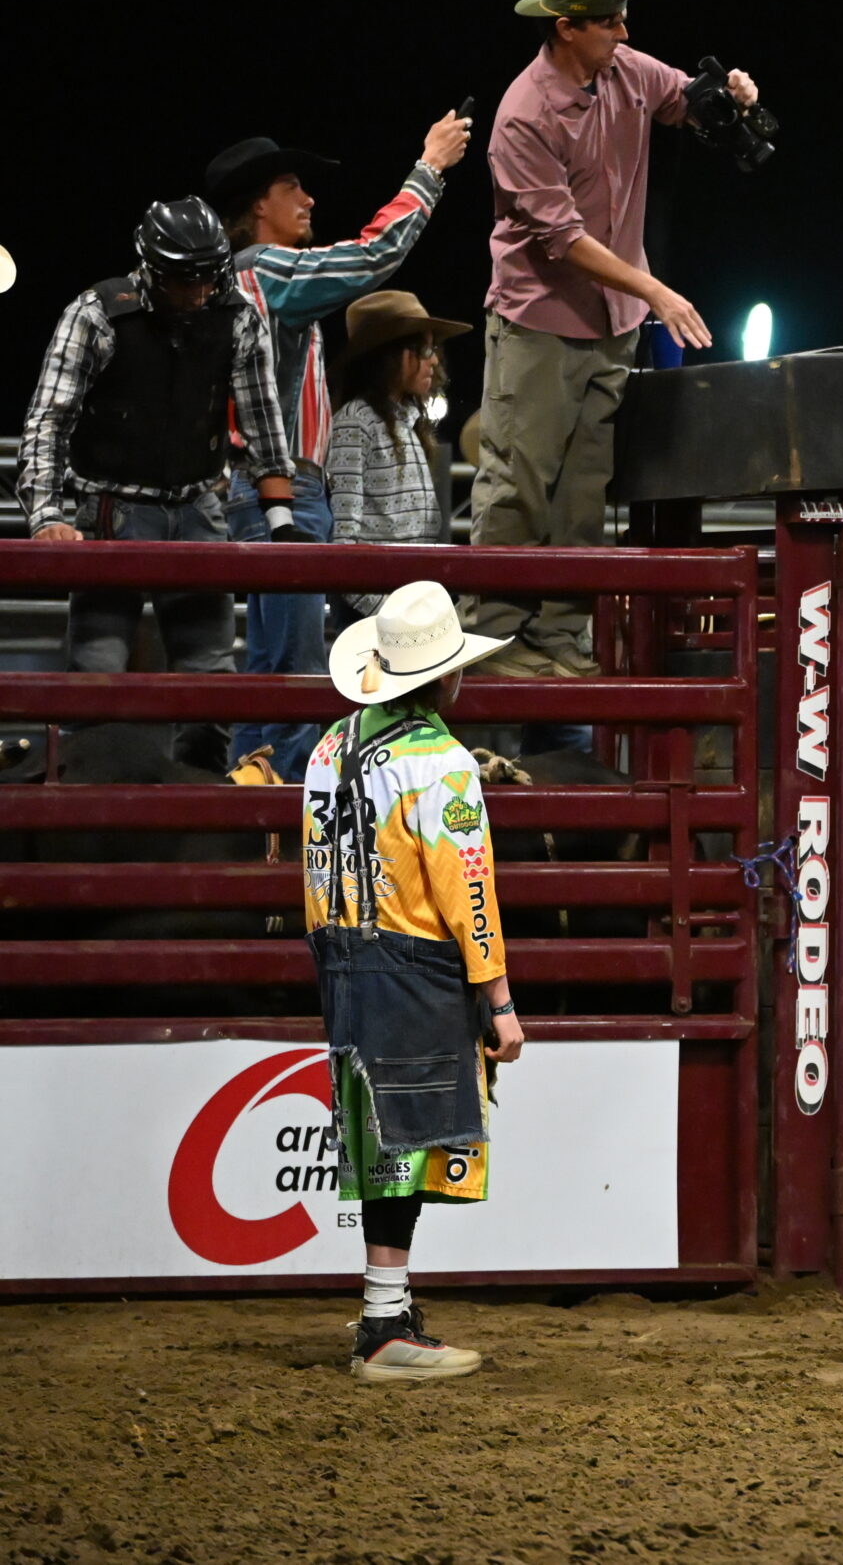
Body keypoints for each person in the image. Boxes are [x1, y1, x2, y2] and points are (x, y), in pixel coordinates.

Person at [472, 0, 762, 679]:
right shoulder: (523, 114)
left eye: (624, 19)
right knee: (520, 483)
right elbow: (563, 240)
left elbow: (687, 101)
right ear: (565, 27)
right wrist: (655, 290)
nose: (624, 34)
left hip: (611, 324)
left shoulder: (627, 71)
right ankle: (495, 638)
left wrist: (732, 96)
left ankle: (560, 634)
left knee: (584, 488)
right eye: (609, 23)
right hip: (540, 320)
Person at [302, 579, 525, 1380]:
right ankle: (383, 1327)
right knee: (403, 1143)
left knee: (381, 1143)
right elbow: (469, 889)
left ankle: (386, 1313)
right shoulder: (442, 762)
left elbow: (314, 862)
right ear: (447, 675)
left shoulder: (328, 747)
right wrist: (498, 998)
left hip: (342, 959)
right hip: (413, 963)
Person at [207, 114, 472, 772]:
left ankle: (247, 800)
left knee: (271, 663)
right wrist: (429, 169)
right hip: (285, 490)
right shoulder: (269, 271)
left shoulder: (242, 279)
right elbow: (370, 255)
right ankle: (290, 801)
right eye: (292, 187)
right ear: (258, 205)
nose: (309, 198)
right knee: (294, 667)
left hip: (260, 487)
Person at [15, 197, 299, 772]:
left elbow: (264, 423)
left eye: (207, 278)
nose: (198, 293)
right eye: (185, 280)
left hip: (197, 503)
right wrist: (47, 518)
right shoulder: (98, 314)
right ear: (153, 270)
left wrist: (282, 522)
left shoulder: (236, 317)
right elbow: (49, 420)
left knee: (210, 677)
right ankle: (86, 804)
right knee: (97, 670)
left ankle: (200, 807)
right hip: (112, 506)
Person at [327, 292, 470, 625]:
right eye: (423, 350)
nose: (433, 361)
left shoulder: (407, 421)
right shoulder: (355, 422)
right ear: (389, 356)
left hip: (408, 602)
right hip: (375, 611)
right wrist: (387, 613)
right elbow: (345, 539)